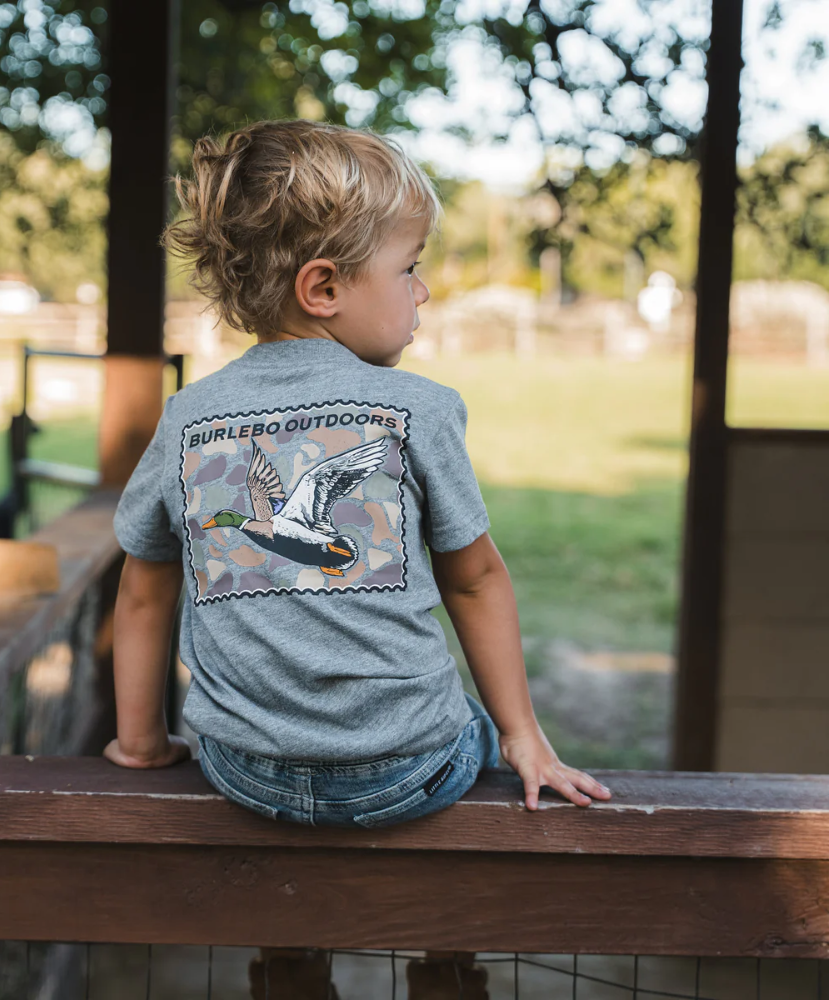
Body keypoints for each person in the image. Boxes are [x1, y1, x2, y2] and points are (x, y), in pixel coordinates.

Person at [103, 119, 612, 827]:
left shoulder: (186, 417)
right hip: (404, 770)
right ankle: (447, 939)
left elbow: (142, 591)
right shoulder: (418, 410)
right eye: (408, 268)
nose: (422, 291)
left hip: (245, 771)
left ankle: (295, 943)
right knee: (471, 724)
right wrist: (522, 735)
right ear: (324, 287)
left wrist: (141, 743)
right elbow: (475, 578)